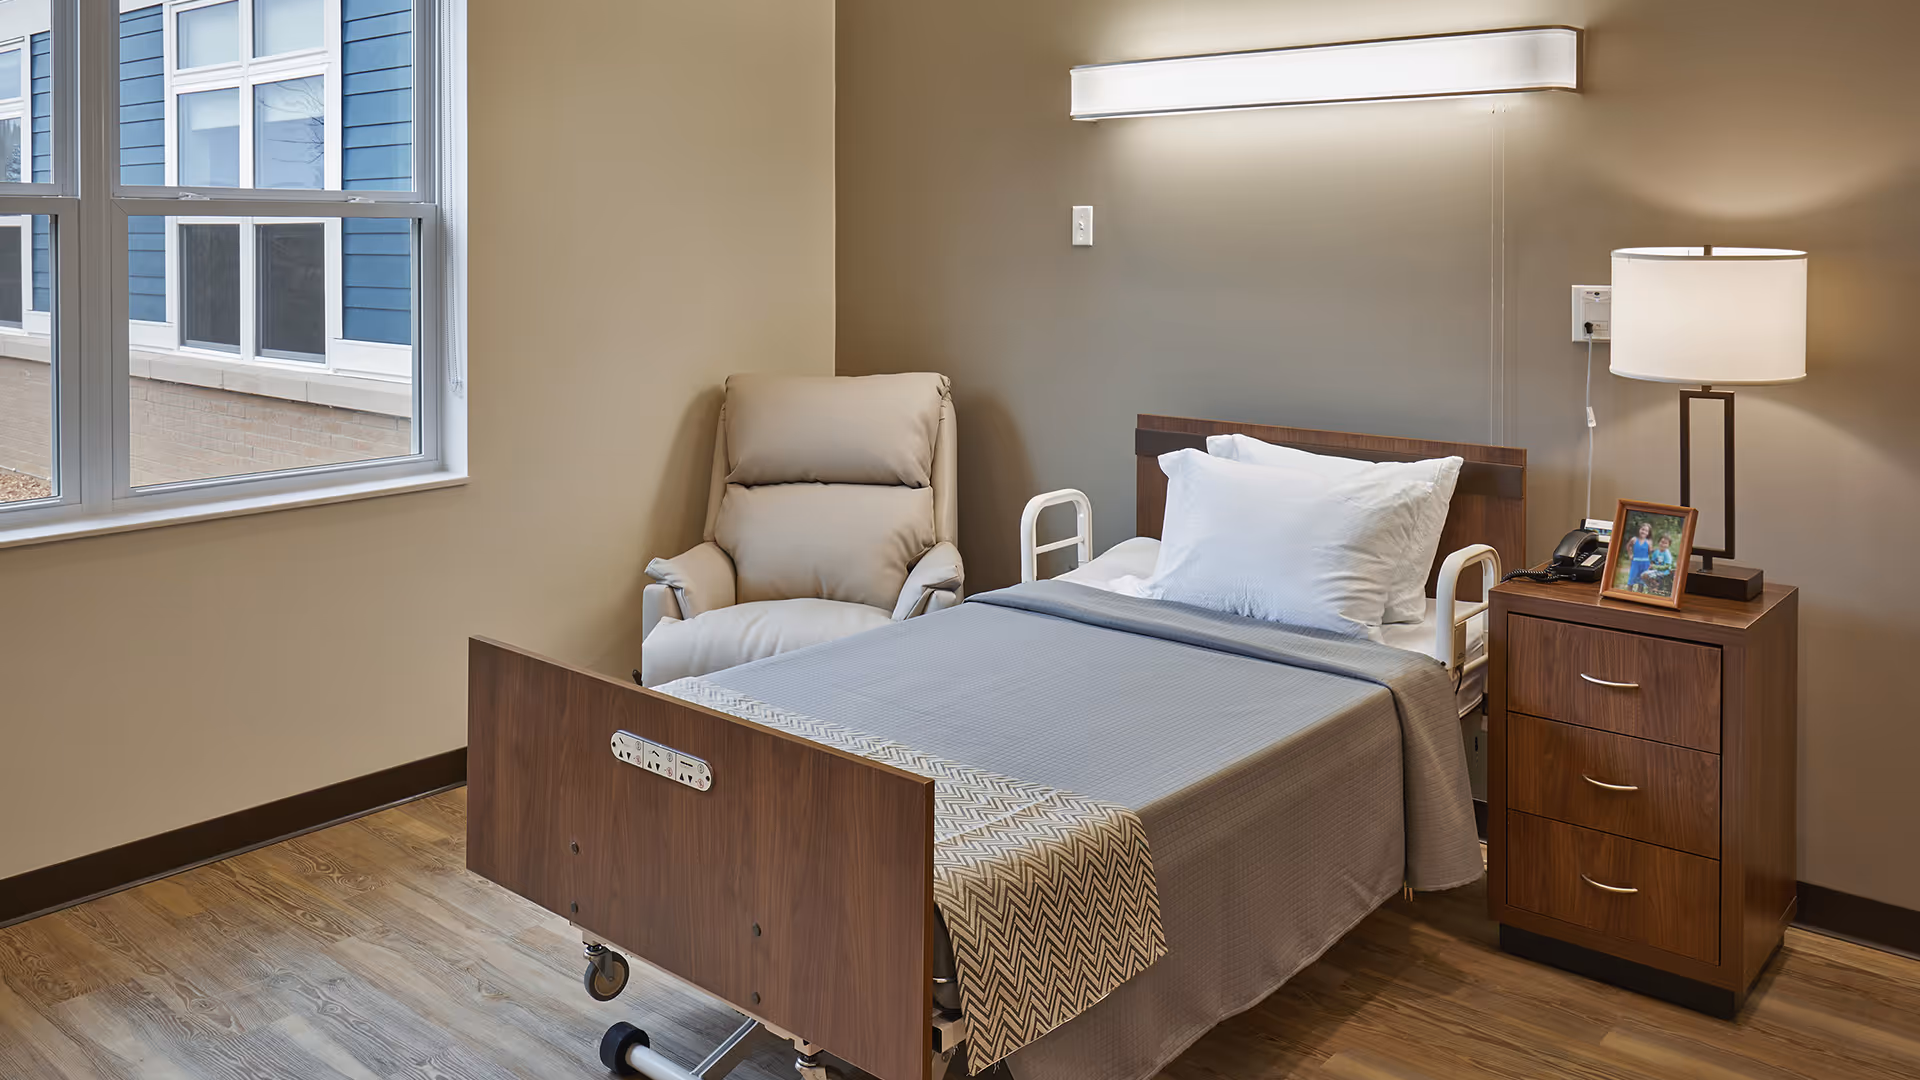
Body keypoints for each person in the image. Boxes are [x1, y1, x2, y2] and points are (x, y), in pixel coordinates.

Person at [1624, 521, 1653, 591]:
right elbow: (1628, 546)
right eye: (1642, 529)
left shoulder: (1649, 542)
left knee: (1641, 582)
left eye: (1646, 531)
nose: (1644, 532)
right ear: (1639, 530)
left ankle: (1638, 596)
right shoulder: (1634, 539)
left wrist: (1652, 562)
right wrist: (1630, 554)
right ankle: (1628, 595)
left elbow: (1650, 553)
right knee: (1631, 580)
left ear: (1648, 533)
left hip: (1645, 563)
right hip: (1635, 562)